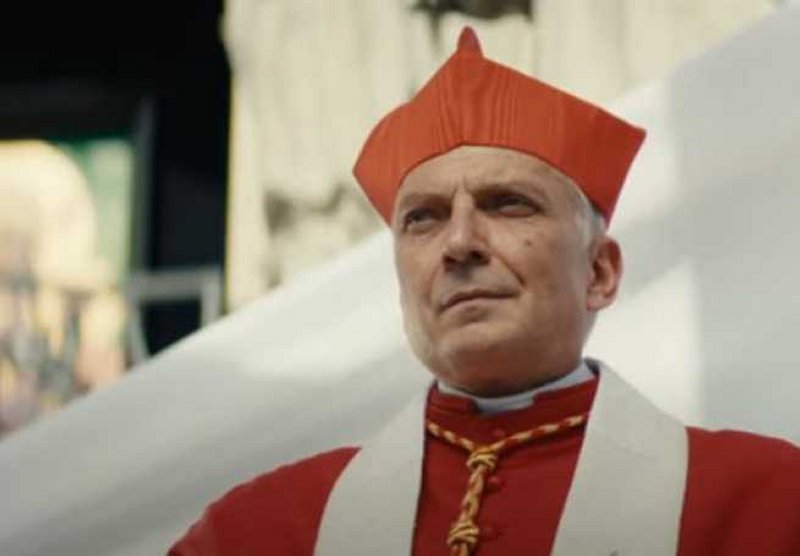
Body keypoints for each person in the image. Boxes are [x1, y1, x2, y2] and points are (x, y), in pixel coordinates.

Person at [169, 27, 800, 556]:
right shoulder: (262, 530)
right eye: (424, 218)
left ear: (600, 272)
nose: (460, 242)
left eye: (508, 203)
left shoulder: (768, 504)